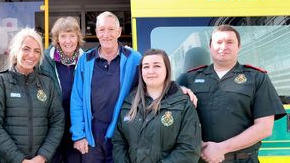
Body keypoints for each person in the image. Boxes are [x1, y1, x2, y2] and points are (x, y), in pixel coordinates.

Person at [177, 25, 286, 163]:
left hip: (243, 160)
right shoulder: (188, 79)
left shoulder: (256, 78)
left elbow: (264, 127)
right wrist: (177, 89)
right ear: (210, 47)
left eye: (229, 42)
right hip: (199, 159)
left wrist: (221, 148)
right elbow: (171, 116)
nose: (223, 46)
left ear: (239, 46)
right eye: (218, 42)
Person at [0, 28, 65, 163]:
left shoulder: (47, 84)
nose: (31, 55)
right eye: (26, 49)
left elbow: (58, 122)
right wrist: (19, 160)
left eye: (37, 51)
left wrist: (43, 156)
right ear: (15, 51)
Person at [70, 11, 142, 163]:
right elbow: (77, 99)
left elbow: (155, 79)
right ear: (96, 32)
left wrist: (180, 89)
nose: (106, 34)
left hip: (123, 132)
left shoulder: (134, 58)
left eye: (111, 29)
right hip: (92, 133)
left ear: (119, 32)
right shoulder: (85, 60)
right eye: (102, 29)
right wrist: (79, 135)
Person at [112, 49, 201, 163]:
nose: (151, 71)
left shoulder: (182, 103)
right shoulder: (129, 102)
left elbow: (189, 149)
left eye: (157, 66)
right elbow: (119, 142)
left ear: (167, 70)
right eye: (146, 66)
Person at [40, 17, 84, 163]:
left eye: (72, 36)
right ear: (57, 39)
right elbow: (22, 72)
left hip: (76, 126)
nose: (68, 41)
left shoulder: (86, 61)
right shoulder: (44, 60)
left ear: (78, 38)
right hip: (51, 125)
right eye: (63, 36)